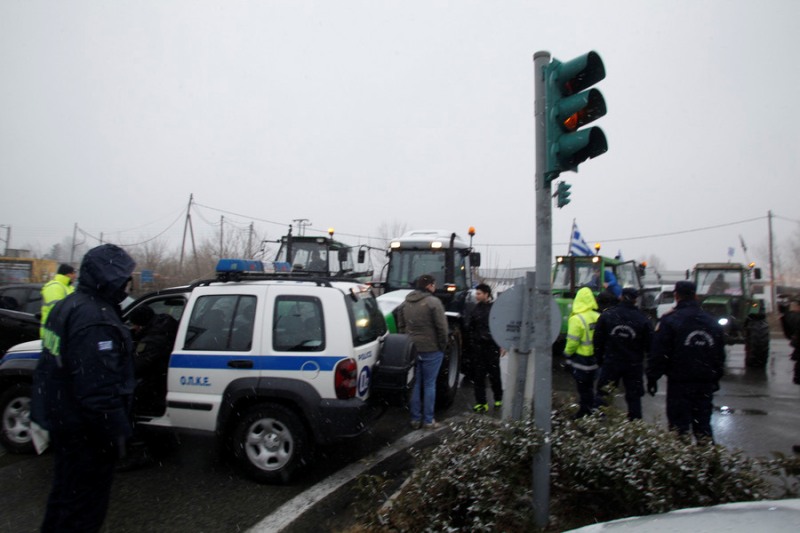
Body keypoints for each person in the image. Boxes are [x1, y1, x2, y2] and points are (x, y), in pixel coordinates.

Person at [31, 244, 137, 532]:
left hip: (65, 423)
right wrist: (116, 434)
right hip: (86, 434)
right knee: (84, 510)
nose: (128, 283)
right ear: (109, 277)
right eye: (125, 276)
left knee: (64, 498)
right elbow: (98, 391)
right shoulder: (96, 320)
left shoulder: (68, 306)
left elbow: (49, 369)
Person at [646, 280, 725, 443]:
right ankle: (707, 463)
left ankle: (682, 464)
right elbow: (719, 354)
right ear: (695, 296)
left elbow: (659, 352)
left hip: (679, 384)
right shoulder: (711, 322)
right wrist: (715, 377)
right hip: (704, 383)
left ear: (676, 296)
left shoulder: (670, 321)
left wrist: (653, 376)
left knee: (679, 429)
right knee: (703, 427)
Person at [396, 274, 448, 429]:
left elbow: (401, 326)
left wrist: (408, 342)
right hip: (431, 349)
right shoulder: (434, 302)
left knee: (415, 384)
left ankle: (415, 419)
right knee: (430, 384)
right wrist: (442, 346)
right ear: (429, 286)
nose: (434, 287)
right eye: (434, 284)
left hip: (412, 350)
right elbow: (442, 329)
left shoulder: (405, 303)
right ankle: (428, 420)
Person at [594, 288, 653, 420]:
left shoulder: (607, 316)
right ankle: (635, 427)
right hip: (634, 364)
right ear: (635, 300)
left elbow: (598, 341)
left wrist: (600, 359)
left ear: (621, 297)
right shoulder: (643, 319)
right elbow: (650, 346)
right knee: (634, 398)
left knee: (603, 396)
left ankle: (598, 426)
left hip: (611, 362)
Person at [563, 287, 600, 418]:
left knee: (582, 387)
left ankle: (584, 411)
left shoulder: (576, 319)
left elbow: (572, 342)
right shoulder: (598, 316)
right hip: (595, 358)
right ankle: (591, 409)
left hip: (581, 359)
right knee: (590, 386)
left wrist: (567, 354)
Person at [467, 283, 503, 413]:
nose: (476, 296)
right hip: (478, 348)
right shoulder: (475, 309)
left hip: (491, 347)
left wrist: (501, 344)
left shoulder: (495, 309)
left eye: (479, 293)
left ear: (487, 294)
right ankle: (481, 402)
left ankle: (498, 398)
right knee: (478, 376)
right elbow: (471, 327)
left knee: (494, 374)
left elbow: (499, 327)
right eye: (476, 293)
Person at [40, 263, 77, 337]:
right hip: (52, 333)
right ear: (68, 274)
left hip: (61, 332)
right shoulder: (54, 287)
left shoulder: (70, 288)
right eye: (74, 273)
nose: (75, 276)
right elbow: (57, 310)